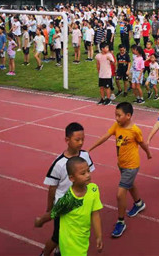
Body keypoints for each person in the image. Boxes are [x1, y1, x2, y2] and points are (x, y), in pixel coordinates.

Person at [89, 102, 152, 238]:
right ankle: (139, 203)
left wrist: (148, 153)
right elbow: (105, 136)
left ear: (128, 116)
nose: (116, 118)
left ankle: (121, 222)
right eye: (115, 115)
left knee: (120, 194)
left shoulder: (135, 130)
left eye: (119, 115)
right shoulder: (116, 126)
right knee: (130, 184)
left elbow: (142, 143)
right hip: (121, 164)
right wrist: (90, 149)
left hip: (132, 166)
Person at [36, 122, 95, 256]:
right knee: (57, 236)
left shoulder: (85, 156)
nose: (81, 143)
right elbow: (52, 188)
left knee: (74, 232)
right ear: (67, 140)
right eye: (77, 140)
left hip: (79, 203)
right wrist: (50, 208)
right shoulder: (59, 164)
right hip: (63, 205)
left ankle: (61, 249)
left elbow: (89, 178)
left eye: (83, 139)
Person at [35, 157, 103, 255]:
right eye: (83, 173)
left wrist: (98, 236)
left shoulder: (93, 189)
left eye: (88, 171)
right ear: (72, 178)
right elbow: (53, 213)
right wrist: (40, 221)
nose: (88, 175)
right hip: (69, 244)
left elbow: (95, 213)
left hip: (83, 240)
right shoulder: (69, 200)